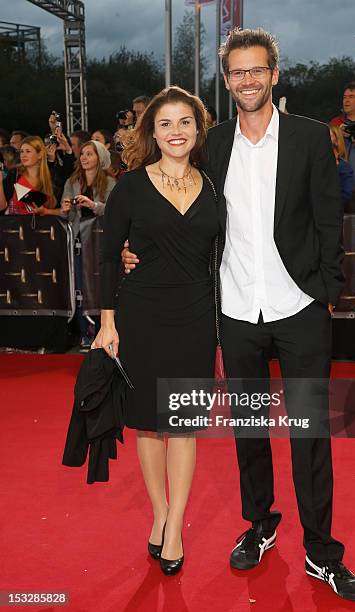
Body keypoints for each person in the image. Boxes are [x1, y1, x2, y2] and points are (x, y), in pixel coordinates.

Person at [122, 28, 355, 601]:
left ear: (275, 75)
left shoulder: (311, 138)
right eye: (237, 72)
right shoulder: (214, 143)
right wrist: (139, 251)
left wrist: (326, 293)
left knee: (310, 433)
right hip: (236, 310)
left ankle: (321, 552)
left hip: (300, 306)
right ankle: (259, 525)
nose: (248, 80)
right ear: (227, 80)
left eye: (258, 70)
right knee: (251, 429)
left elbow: (330, 220)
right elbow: (179, 205)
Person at [92, 86, 218, 576]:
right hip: (141, 314)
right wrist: (108, 321)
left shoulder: (211, 186)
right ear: (152, 131)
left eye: (184, 121)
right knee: (148, 421)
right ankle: (160, 512)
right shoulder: (130, 186)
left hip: (194, 317)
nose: (175, 131)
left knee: (182, 426)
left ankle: (176, 524)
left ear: (197, 128)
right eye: (165, 123)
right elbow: (107, 255)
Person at [61, 140, 116, 350]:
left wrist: (93, 205)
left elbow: (114, 211)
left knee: (102, 284)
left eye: (89, 154)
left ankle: (106, 328)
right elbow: (63, 214)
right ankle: (85, 332)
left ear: (99, 157)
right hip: (78, 241)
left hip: (102, 240)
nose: (84, 158)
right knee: (80, 286)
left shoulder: (110, 183)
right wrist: (65, 209)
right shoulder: (72, 181)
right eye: (82, 154)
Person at [0, 135, 56, 214]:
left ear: (39, 155)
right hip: (15, 225)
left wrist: (45, 211)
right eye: (22, 151)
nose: (23, 155)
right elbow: (1, 206)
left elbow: (61, 210)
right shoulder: (14, 174)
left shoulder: (49, 176)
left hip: (43, 225)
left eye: (28, 151)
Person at [329, 124, 354, 204]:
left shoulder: (344, 167)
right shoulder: (316, 162)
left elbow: (346, 195)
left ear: (337, 141)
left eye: (328, 135)